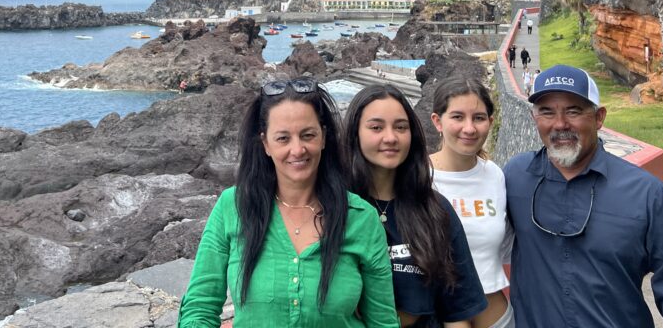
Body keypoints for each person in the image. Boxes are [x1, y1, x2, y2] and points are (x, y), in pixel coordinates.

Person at [179, 78, 399, 328]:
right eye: (283, 138)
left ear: (324, 138)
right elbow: (199, 308)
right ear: (265, 144)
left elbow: (383, 322)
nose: (297, 149)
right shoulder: (233, 206)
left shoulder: (361, 218)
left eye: (308, 135)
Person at [504, 65, 663, 328]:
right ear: (534, 118)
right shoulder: (515, 176)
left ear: (599, 118)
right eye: (546, 112)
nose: (560, 124)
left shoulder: (647, 194)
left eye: (574, 111)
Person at [343, 84, 486, 328]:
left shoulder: (434, 210)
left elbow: (458, 310)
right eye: (376, 127)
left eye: (401, 127)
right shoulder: (334, 208)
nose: (390, 137)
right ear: (355, 133)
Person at [429, 75, 514, 328]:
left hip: (497, 317)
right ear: (437, 121)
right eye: (457, 117)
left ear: (490, 121)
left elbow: (505, 248)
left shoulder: (495, 175)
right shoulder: (417, 179)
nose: (469, 128)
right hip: (437, 317)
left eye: (478, 118)